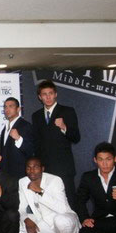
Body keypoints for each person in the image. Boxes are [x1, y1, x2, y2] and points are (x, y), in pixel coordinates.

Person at [18, 157, 80, 233]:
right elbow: (20, 208)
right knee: (15, 219)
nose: (31, 171)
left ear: (42, 168)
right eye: (28, 168)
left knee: (61, 220)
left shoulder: (55, 180)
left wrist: (40, 191)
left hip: (66, 222)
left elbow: (62, 209)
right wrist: (26, 220)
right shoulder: (23, 182)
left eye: (35, 167)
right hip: (44, 223)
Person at [31, 80, 80, 209]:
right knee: (46, 201)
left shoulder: (67, 111)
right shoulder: (36, 116)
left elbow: (76, 138)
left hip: (63, 167)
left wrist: (64, 127)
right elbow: (36, 143)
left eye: (50, 93)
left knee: (68, 200)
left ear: (56, 94)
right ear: (39, 97)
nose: (48, 97)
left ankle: (76, 228)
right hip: (45, 168)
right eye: (44, 94)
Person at [0, 97, 35, 179]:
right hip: (5, 174)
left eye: (11, 106)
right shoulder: (5, 129)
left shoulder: (25, 125)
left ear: (18, 109)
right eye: (5, 107)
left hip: (19, 174)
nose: (7, 109)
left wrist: (19, 139)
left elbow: (31, 150)